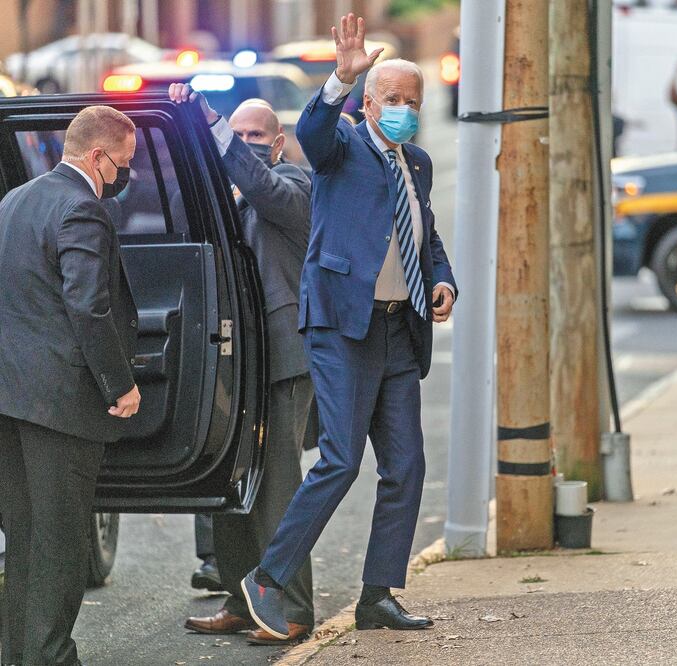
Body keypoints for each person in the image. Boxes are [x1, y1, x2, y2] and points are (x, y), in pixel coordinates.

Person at [239, 13, 457, 639]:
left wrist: (441, 279)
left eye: (414, 101)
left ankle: (377, 594)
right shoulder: (339, 148)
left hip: (398, 330)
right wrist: (338, 76)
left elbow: (427, 233)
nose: (405, 110)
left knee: (407, 465)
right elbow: (311, 129)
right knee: (339, 459)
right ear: (369, 102)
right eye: (394, 99)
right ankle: (267, 578)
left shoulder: (416, 162)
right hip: (341, 327)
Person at [169, 85, 316, 645]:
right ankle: (239, 597)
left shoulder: (295, 184)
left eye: (257, 136)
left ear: (277, 144)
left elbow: (266, 191)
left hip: (280, 359)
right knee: (226, 483)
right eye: (242, 134)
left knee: (278, 487)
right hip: (229, 359)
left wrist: (217, 128)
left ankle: (292, 609)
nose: (249, 144)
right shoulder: (218, 192)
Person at [0, 105, 141, 666]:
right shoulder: (82, 207)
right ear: (97, 155)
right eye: (123, 163)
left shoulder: (13, 202)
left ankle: (18, 655)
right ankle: (54, 657)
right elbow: (88, 304)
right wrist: (119, 384)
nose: (125, 175)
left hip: (9, 399)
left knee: (26, 539)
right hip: (61, 404)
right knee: (60, 542)